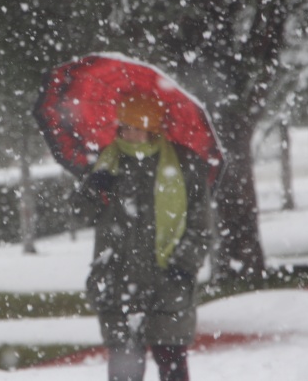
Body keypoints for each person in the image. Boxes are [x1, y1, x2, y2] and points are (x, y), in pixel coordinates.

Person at [70, 95, 213, 381]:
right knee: (124, 368)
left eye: (137, 127)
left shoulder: (184, 164)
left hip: (168, 280)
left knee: (172, 363)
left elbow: (201, 224)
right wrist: (92, 189)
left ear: (153, 128)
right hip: (117, 279)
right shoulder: (105, 164)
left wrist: (184, 263)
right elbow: (79, 215)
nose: (129, 134)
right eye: (124, 127)